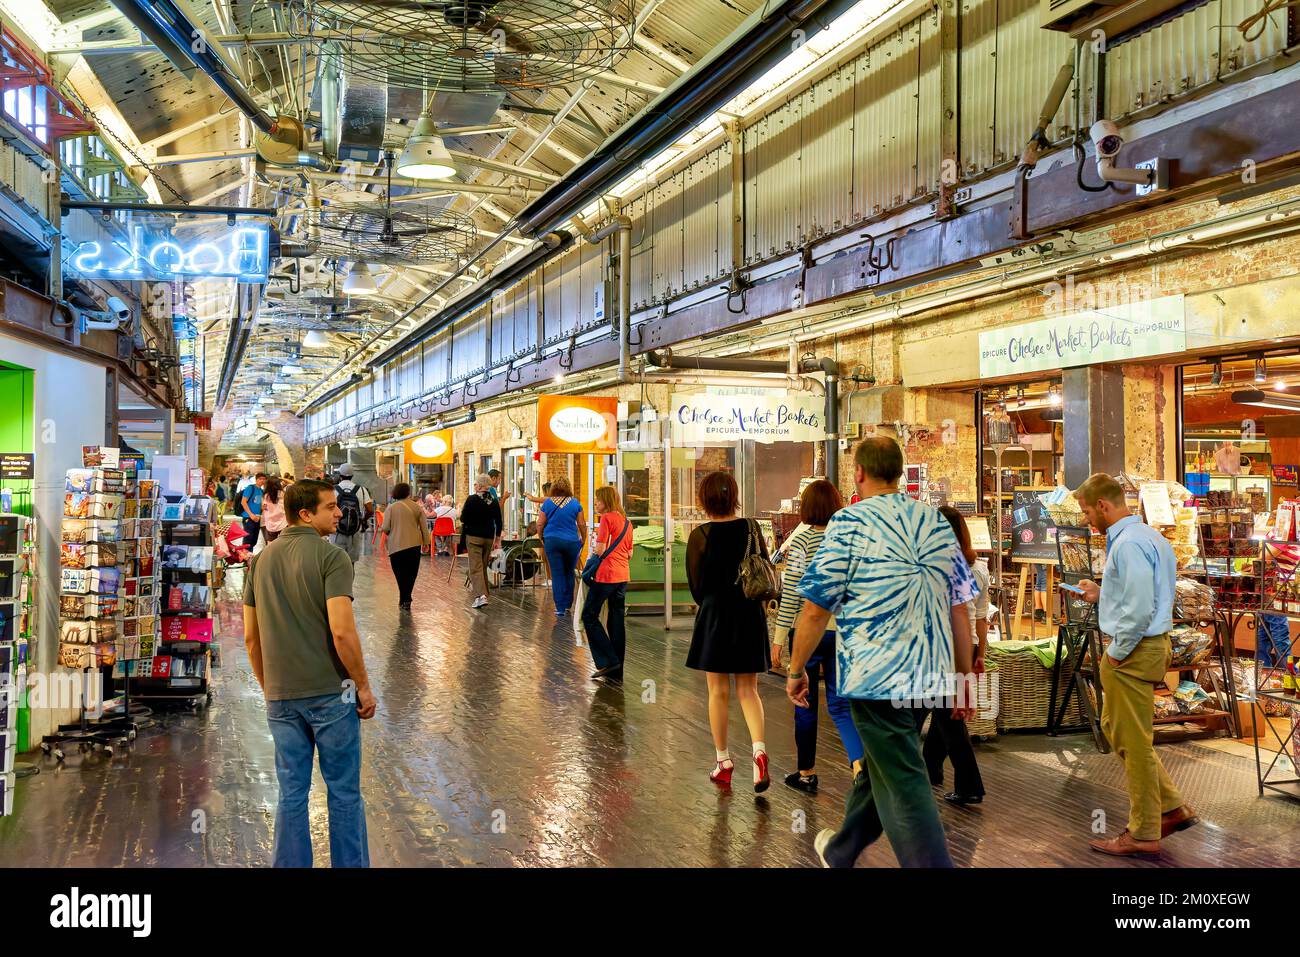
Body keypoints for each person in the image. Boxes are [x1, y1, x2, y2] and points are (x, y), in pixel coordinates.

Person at [790, 437, 977, 869]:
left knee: (905, 781)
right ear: (899, 471)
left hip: (876, 678)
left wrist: (796, 668)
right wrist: (964, 679)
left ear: (858, 472)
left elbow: (817, 607)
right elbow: (959, 607)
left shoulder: (848, 523)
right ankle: (841, 850)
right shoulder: (935, 523)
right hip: (930, 675)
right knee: (885, 765)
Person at [242, 479, 376, 868]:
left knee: (291, 794)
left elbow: (252, 639)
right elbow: (342, 630)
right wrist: (363, 687)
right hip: (332, 695)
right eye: (330, 507)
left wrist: (271, 688)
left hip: (281, 697)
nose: (339, 513)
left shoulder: (260, 561)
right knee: (345, 794)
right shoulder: (332, 558)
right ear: (305, 513)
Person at [1074, 472, 1197, 857]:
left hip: (1133, 649)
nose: (1086, 519)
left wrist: (1116, 652)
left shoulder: (1127, 545)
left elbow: (1141, 607)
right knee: (1118, 730)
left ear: (1104, 506)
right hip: (1140, 647)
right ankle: (1172, 807)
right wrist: (1103, 593)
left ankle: (1144, 831)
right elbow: (1138, 593)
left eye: (1086, 511)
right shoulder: (1148, 538)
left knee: (1135, 743)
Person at [772, 479, 864, 793]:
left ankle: (807, 772)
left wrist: (779, 638)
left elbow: (793, 596)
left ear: (807, 508)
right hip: (842, 632)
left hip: (807, 631)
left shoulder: (800, 543)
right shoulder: (848, 542)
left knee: (804, 702)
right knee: (841, 704)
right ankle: (858, 766)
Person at [685, 470, 772, 793]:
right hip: (749, 614)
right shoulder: (751, 527)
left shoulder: (700, 535)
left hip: (715, 617)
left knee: (718, 692)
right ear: (733, 495)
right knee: (749, 691)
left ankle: (723, 762)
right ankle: (759, 751)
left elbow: (696, 586)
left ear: (704, 499)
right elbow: (762, 568)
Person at [924, 505, 989, 806]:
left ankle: (969, 784)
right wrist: (980, 653)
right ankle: (931, 767)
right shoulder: (978, 567)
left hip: (945, 646)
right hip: (968, 644)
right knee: (942, 711)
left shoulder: (940, 567)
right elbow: (981, 616)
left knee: (945, 715)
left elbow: (957, 614)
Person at [582, 486, 634, 681]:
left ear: (606, 501)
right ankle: (618, 666)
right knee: (616, 620)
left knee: (589, 615)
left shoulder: (606, 519)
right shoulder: (627, 522)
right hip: (622, 576)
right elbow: (630, 553)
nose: (596, 503)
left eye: (598, 500)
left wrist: (595, 550)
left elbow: (601, 550)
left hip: (606, 575)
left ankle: (608, 660)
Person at [537, 477, 586, 619]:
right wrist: (583, 538)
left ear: (554, 489)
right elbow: (581, 523)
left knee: (557, 574)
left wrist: (541, 536)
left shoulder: (547, 503)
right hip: (571, 541)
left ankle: (559, 608)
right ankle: (567, 604)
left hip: (552, 541)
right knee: (569, 572)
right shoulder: (575, 503)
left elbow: (540, 523)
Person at [382, 483, 430, 610]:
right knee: (411, 573)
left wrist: (390, 531)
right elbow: (424, 527)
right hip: (414, 545)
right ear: (408, 492)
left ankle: (404, 597)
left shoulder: (391, 508)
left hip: (396, 546)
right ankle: (406, 597)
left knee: (400, 573)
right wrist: (426, 542)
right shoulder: (417, 507)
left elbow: (385, 527)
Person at [459, 474, 503, 609]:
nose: (474, 486)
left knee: (475, 567)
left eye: (475, 484)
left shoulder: (472, 499)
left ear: (479, 486)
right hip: (488, 537)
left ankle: (481, 596)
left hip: (473, 537)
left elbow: (463, 518)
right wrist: (497, 538)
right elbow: (499, 521)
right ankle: (485, 594)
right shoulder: (493, 501)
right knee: (482, 566)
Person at [330, 464, 374, 563]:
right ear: (352, 475)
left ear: (340, 475)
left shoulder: (333, 490)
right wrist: (362, 520)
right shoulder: (362, 490)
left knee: (336, 562)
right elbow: (370, 510)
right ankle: (350, 578)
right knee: (351, 562)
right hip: (354, 531)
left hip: (336, 531)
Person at [241, 473, 267, 550]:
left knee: (254, 540)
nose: (262, 480)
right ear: (256, 479)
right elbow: (243, 502)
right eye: (260, 479)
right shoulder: (250, 488)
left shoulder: (262, 491)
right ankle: (246, 559)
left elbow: (257, 504)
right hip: (248, 517)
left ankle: (249, 557)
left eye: (264, 479)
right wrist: (251, 515)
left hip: (257, 518)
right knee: (248, 540)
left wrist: (262, 508)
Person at [260, 476, 287, 546]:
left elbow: (264, 508)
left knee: (270, 546)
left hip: (270, 524)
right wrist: (283, 478)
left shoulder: (265, 495)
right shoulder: (283, 493)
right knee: (284, 545)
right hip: (283, 523)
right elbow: (294, 484)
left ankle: (271, 556)